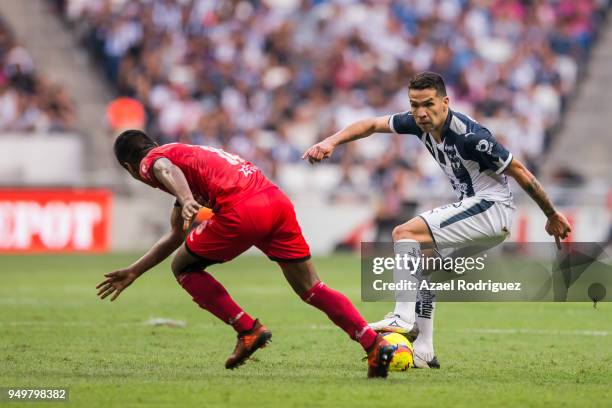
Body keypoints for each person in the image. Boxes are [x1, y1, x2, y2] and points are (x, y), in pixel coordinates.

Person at [302, 72, 571, 369]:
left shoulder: (471, 137)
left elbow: (518, 169)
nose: (420, 112)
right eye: (414, 105)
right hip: (477, 210)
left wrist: (551, 214)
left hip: (491, 208)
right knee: (425, 270)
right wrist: (331, 141)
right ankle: (424, 350)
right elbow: (371, 124)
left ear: (445, 102)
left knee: (404, 233)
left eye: (428, 104)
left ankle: (402, 316)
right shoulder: (418, 124)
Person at [96, 130, 397, 378]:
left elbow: (164, 168)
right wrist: (135, 270)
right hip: (275, 200)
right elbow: (176, 234)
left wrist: (186, 198)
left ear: (129, 168)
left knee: (184, 268)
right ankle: (374, 345)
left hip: (241, 208)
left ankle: (247, 330)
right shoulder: (185, 156)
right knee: (312, 288)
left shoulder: (152, 162)